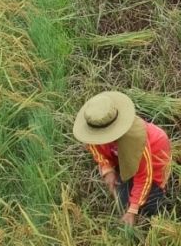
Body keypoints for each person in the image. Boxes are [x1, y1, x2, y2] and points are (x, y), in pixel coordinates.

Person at [73, 91, 172, 226]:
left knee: (146, 207)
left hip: (153, 163)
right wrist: (108, 170)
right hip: (122, 156)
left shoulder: (137, 141)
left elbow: (144, 176)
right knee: (122, 198)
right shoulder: (94, 125)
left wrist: (132, 210)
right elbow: (95, 149)